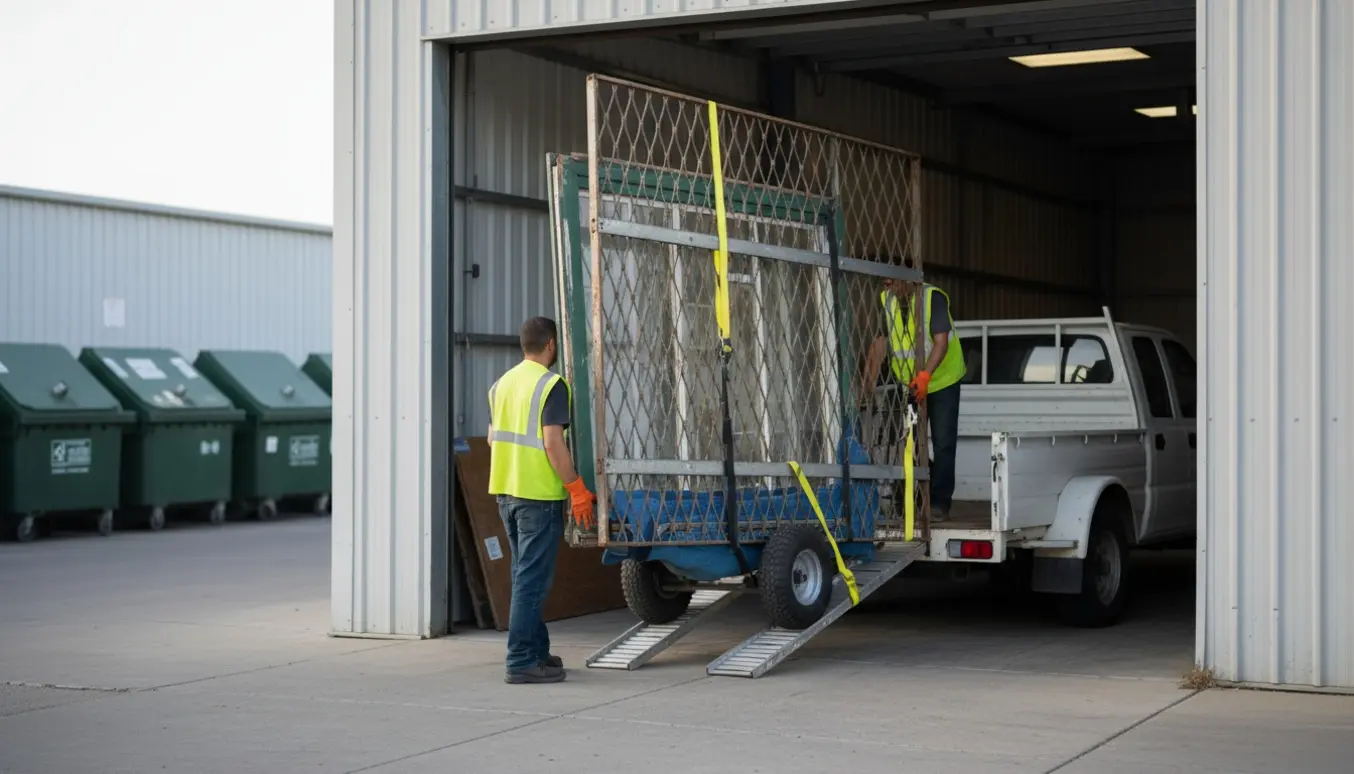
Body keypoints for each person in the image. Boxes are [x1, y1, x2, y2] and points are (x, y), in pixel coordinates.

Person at [487, 316, 596, 685]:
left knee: (524, 576)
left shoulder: (501, 385)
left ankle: (536, 651)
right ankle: (520, 661)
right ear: (551, 344)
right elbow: (552, 442)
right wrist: (576, 488)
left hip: (506, 493)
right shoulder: (552, 384)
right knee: (531, 582)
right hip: (538, 497)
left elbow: (492, 439)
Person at [863, 268, 966, 523]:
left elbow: (941, 341)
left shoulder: (932, 298)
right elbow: (881, 341)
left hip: (942, 381)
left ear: (907, 279)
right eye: (884, 284)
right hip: (909, 385)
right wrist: (868, 381)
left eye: (892, 282)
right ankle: (919, 494)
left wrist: (925, 376)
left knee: (942, 443)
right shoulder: (887, 300)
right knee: (911, 443)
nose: (888, 288)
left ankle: (940, 503)